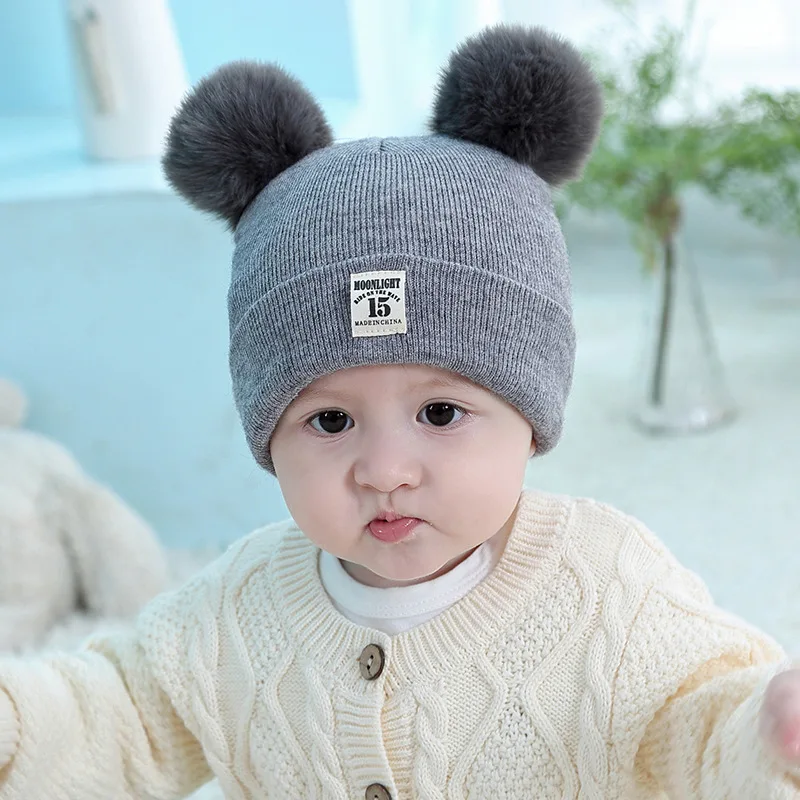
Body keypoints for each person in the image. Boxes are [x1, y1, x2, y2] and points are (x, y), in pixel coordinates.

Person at [1, 23, 799, 800]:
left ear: (532, 416)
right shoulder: (232, 611)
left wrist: (768, 732)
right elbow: (112, 714)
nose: (385, 471)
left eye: (442, 413)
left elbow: (701, 724)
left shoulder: (609, 586)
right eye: (330, 421)